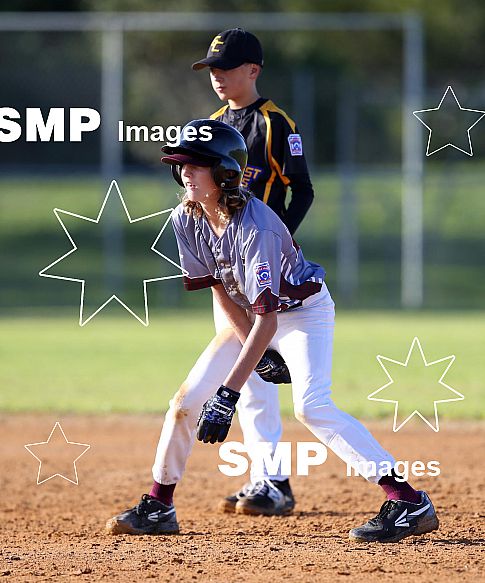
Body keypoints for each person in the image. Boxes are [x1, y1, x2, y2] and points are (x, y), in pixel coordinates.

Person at [106, 119, 439, 543]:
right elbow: (221, 290)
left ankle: (408, 500)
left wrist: (228, 394)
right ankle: (159, 505)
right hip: (250, 317)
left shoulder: (255, 227)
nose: (185, 172)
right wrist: (256, 353)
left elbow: (271, 319)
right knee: (185, 403)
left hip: (302, 314)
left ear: (225, 172)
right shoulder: (186, 218)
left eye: (196, 164)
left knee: (312, 407)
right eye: (180, 164)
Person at [192, 27, 315, 516]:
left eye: (226, 67)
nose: (217, 76)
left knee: (283, 379)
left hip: (264, 269)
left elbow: (302, 190)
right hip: (227, 272)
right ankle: (270, 479)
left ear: (253, 70)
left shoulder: (276, 124)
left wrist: (275, 241)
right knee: (251, 378)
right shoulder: (211, 125)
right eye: (212, 69)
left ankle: (273, 481)